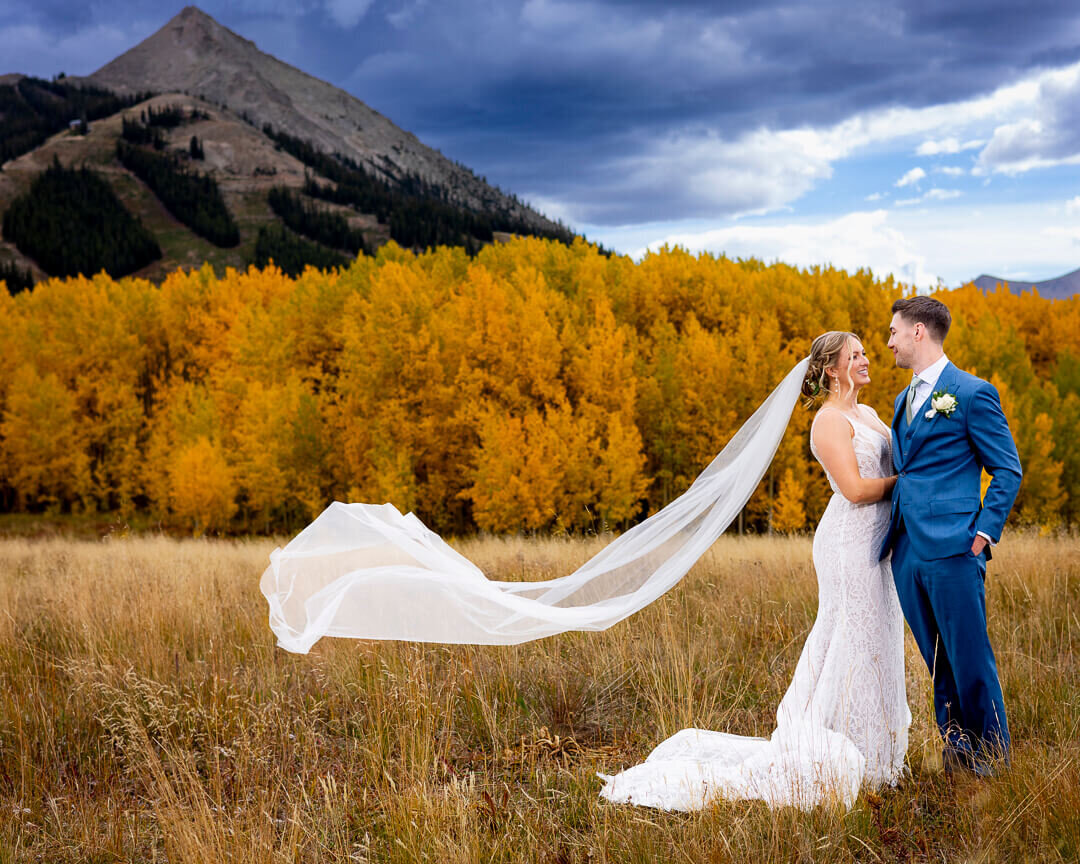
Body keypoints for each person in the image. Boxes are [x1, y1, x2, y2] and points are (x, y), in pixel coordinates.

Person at [598, 331, 910, 810]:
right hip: (849, 543)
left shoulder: (867, 414)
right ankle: (829, 749)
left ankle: (874, 754)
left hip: (880, 543)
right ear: (831, 368)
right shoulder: (827, 422)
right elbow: (853, 489)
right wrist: (909, 483)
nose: (867, 360)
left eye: (867, 352)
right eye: (856, 355)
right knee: (848, 635)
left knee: (876, 637)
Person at [882, 297, 1021, 777]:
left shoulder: (972, 393)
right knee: (937, 663)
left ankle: (993, 765)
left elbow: (1007, 469)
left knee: (969, 658)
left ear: (919, 331)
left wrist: (983, 533)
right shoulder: (902, 400)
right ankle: (958, 753)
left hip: (957, 547)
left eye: (895, 331)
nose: (890, 341)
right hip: (906, 552)